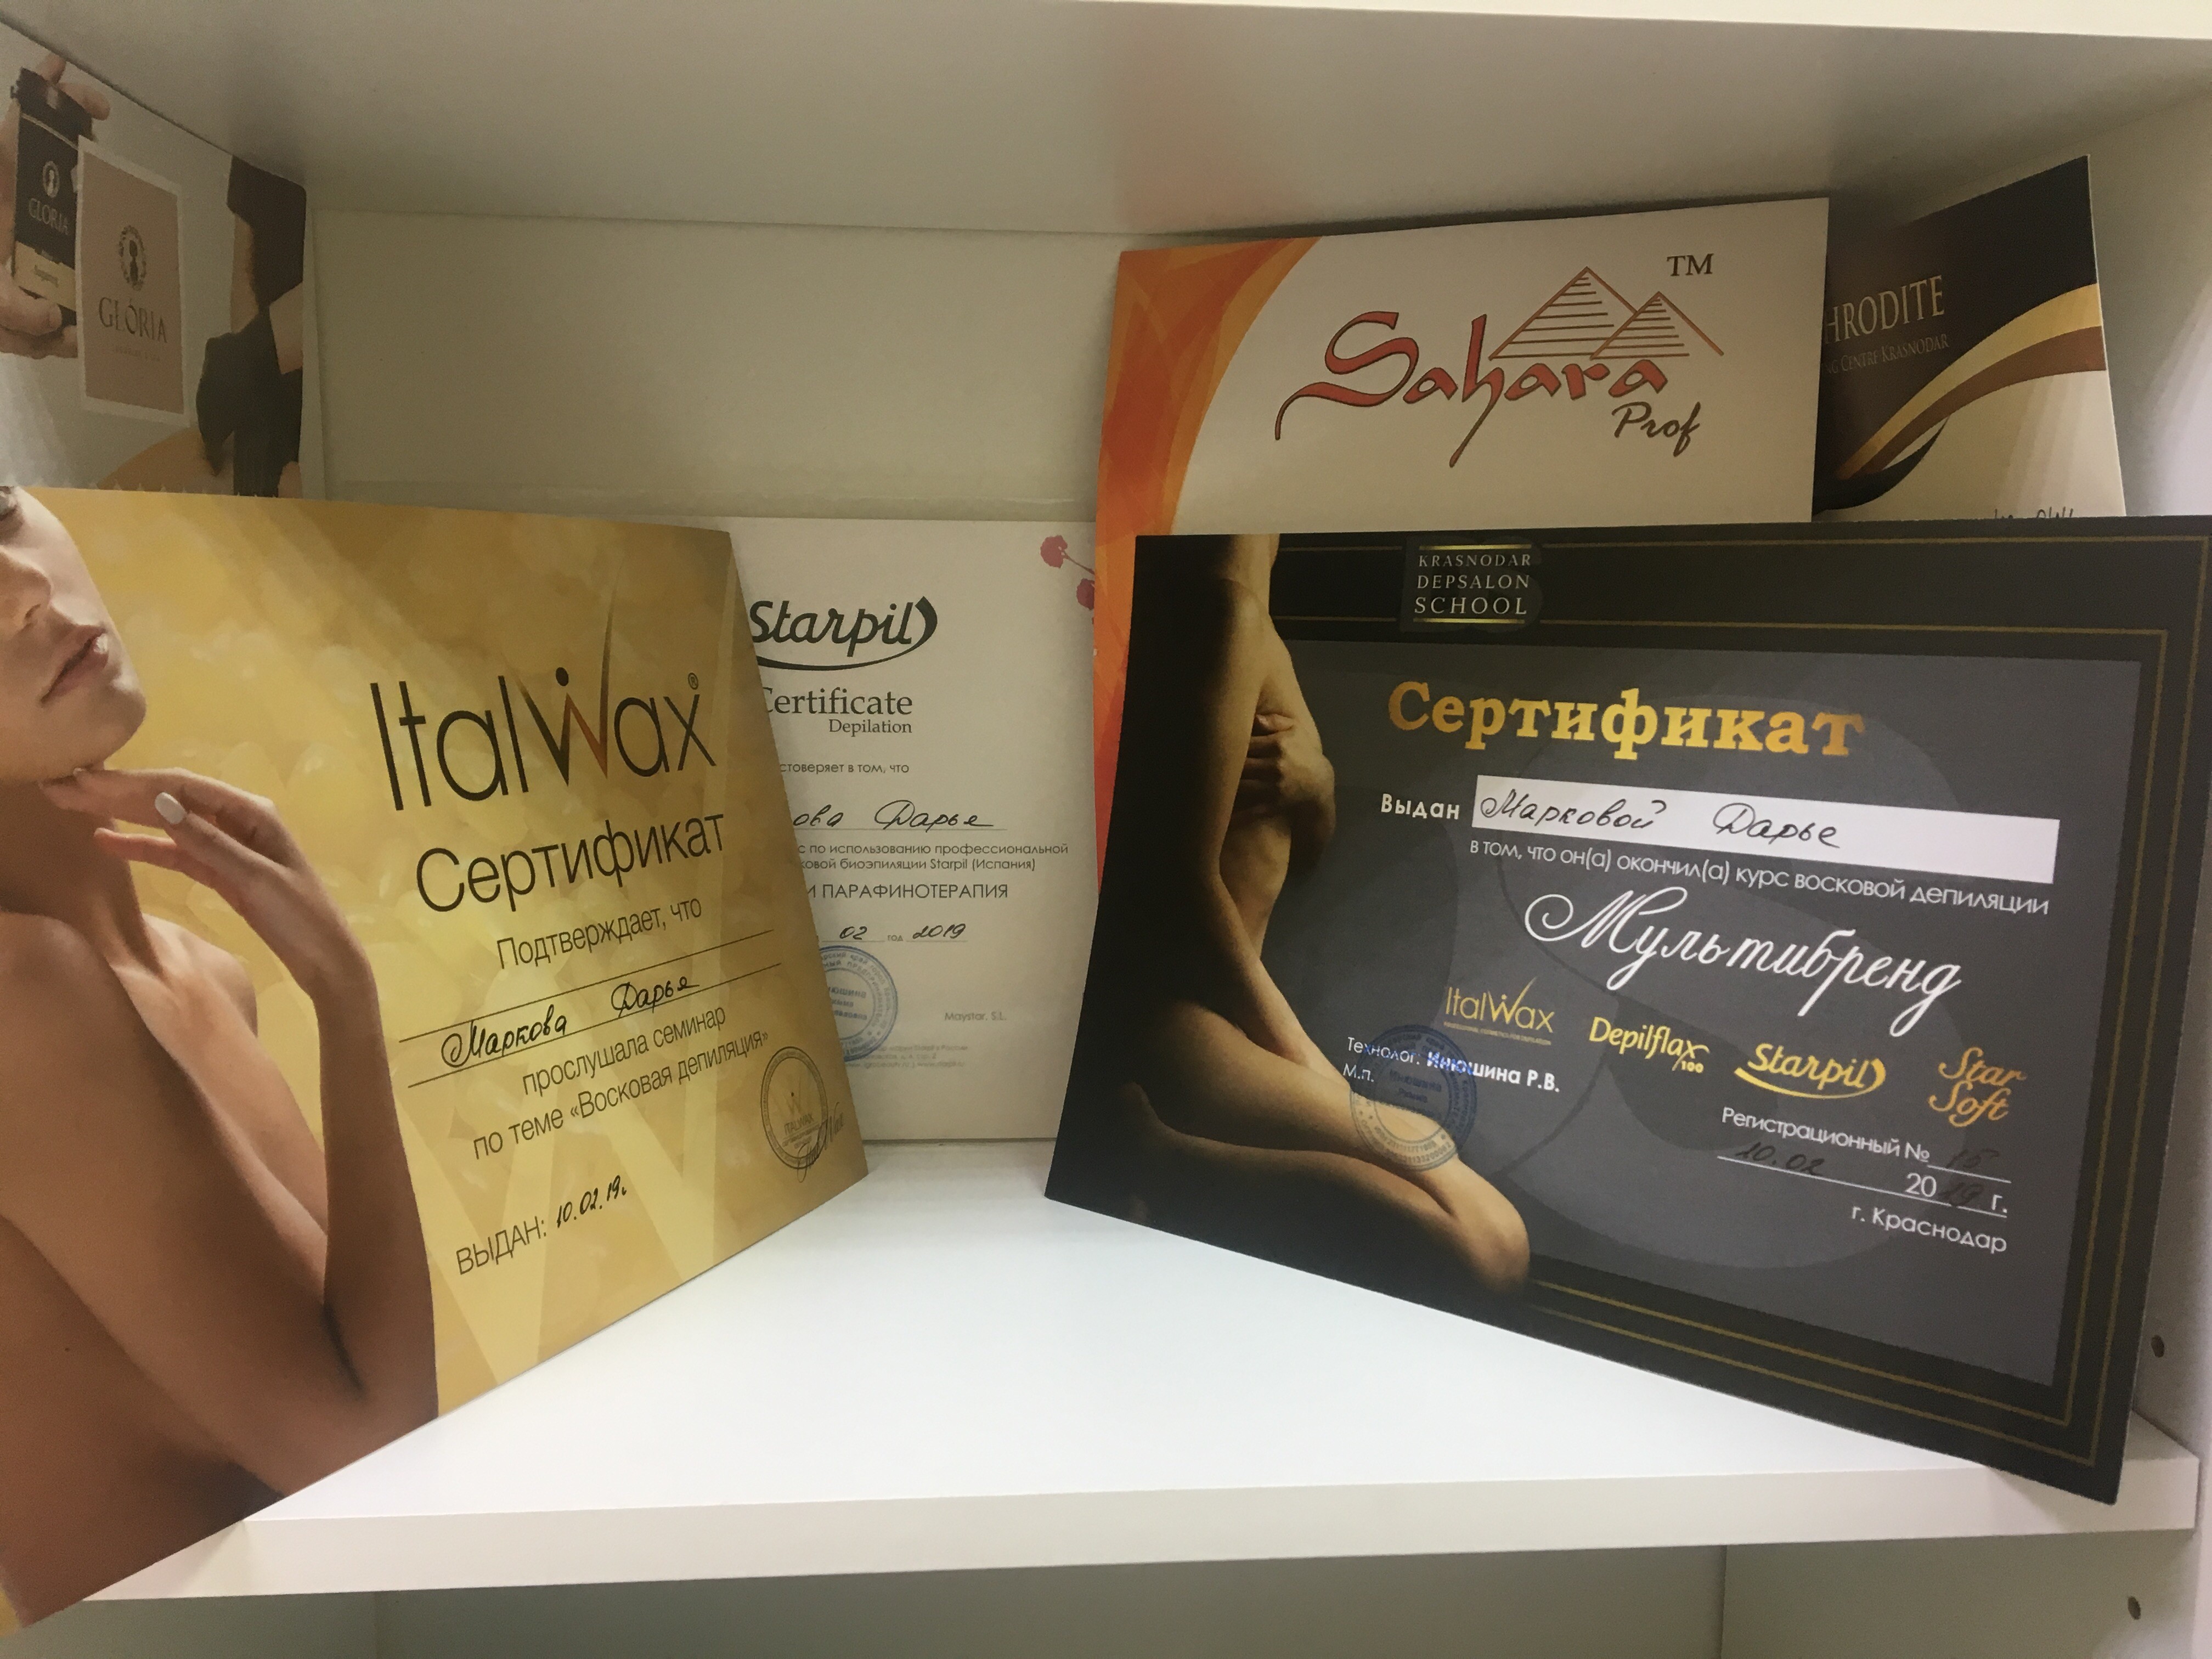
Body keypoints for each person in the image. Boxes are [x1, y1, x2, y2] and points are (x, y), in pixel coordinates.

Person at [0, 486, 435, 1622]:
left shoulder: (204, 973)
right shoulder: (21, 998)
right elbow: (378, 1460)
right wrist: (345, 1001)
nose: (25, 591)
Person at [1058, 533, 1528, 1306]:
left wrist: (1316, 790)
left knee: (1491, 1244)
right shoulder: (1224, 613)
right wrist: (1299, 1055)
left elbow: (1281, 854)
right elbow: (1176, 888)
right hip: (1181, 1022)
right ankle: (1146, 1157)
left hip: (1219, 1018)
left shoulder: (1248, 621)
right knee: (1483, 1247)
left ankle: (1157, 1167)